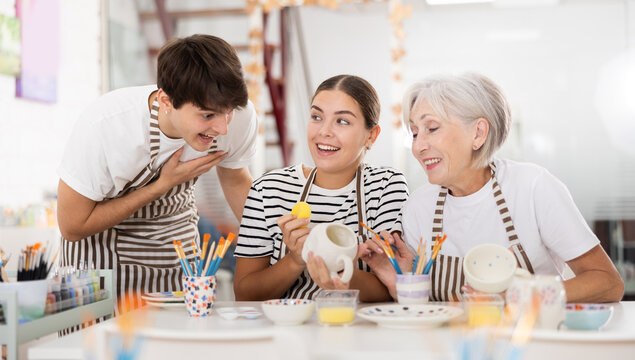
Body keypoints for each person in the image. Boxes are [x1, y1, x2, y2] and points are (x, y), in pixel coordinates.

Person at [362, 73, 624, 303]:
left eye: (432, 128)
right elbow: (430, 310)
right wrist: (401, 280)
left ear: (478, 133)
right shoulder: (419, 206)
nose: (418, 146)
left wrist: (519, 296)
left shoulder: (533, 188)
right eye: (415, 133)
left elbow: (607, 282)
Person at [57, 34, 257, 312]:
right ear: (165, 100)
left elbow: (236, 181)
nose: (223, 129)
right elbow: (72, 226)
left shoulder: (238, 116)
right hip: (98, 263)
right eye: (208, 115)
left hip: (173, 257)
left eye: (228, 113)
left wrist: (274, 247)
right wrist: (161, 185)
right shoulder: (107, 126)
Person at [233, 75, 409, 301]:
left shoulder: (386, 186)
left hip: (360, 332)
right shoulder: (268, 190)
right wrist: (295, 259)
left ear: (371, 135)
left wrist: (341, 278)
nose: (324, 132)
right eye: (317, 117)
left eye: (342, 121)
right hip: (286, 331)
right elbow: (245, 294)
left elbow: (394, 288)